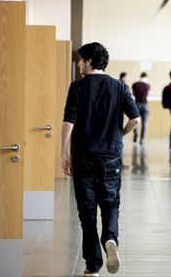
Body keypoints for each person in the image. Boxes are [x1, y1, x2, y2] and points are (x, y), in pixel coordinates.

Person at [62, 42, 140, 277]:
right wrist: (119, 134)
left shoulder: (77, 87)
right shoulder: (119, 87)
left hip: (84, 156)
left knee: (87, 213)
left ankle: (92, 267)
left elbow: (68, 123)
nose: (78, 64)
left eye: (80, 59)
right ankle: (110, 239)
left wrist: (63, 154)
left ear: (89, 61)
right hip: (111, 157)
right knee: (110, 203)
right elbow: (135, 120)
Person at [131, 72, 150, 145]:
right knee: (144, 123)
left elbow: (133, 94)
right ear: (146, 77)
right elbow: (147, 96)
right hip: (145, 105)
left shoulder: (135, 84)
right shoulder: (147, 86)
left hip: (137, 104)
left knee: (135, 121)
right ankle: (142, 139)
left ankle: (136, 133)